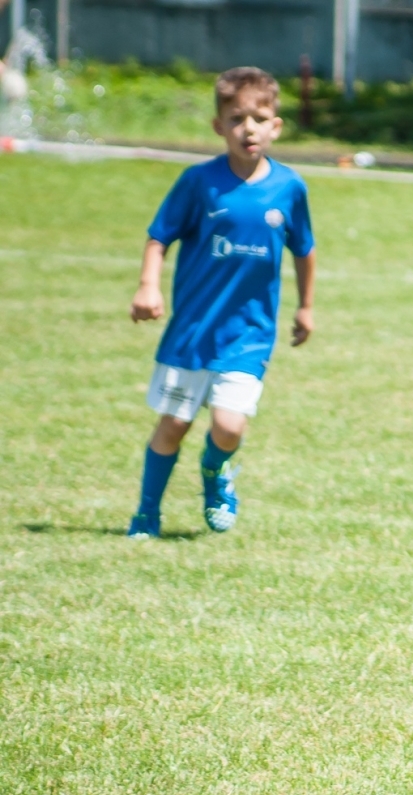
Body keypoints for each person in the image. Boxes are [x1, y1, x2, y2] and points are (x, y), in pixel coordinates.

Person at [127, 66, 315, 538]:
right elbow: (158, 237)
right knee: (173, 425)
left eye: (258, 117)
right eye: (235, 118)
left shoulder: (289, 187)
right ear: (218, 126)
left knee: (229, 427)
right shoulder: (199, 182)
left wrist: (305, 307)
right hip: (191, 332)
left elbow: (304, 250)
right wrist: (149, 286)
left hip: (248, 334)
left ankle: (215, 472)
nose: (247, 128)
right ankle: (146, 514)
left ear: (276, 125)